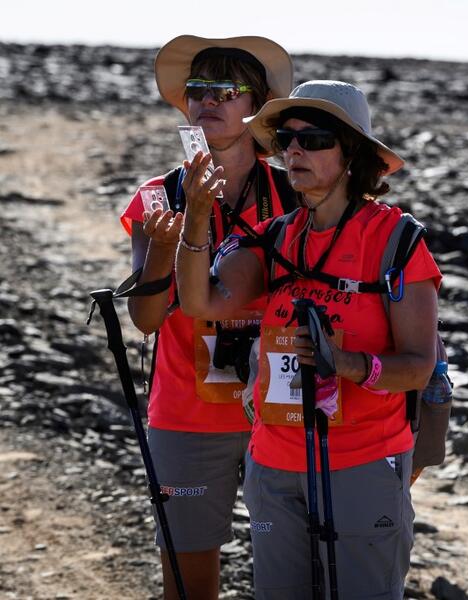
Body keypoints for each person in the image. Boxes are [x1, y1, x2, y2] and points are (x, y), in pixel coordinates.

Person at [175, 80, 442, 599]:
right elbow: (199, 302)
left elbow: (418, 367)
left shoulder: (395, 241)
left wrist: (342, 362)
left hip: (364, 463)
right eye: (287, 140)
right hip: (274, 466)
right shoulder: (277, 237)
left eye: (314, 139)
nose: (295, 150)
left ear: (351, 154)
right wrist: (198, 216)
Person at [120, 35, 294, 600]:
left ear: (258, 105)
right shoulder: (157, 197)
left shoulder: (296, 190)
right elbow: (145, 320)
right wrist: (165, 252)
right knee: (189, 583)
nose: (207, 101)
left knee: (299, 570)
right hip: (187, 413)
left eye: (227, 90)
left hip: (285, 405)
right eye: (197, 90)